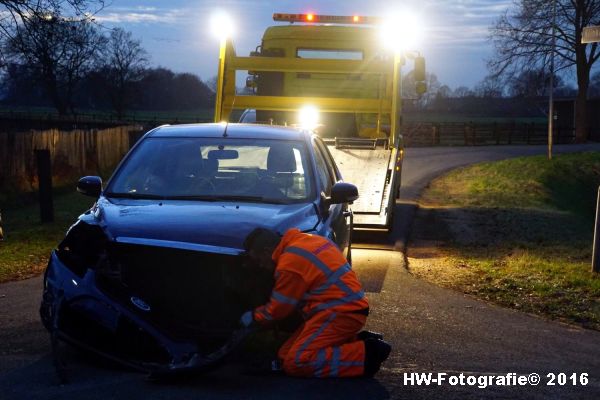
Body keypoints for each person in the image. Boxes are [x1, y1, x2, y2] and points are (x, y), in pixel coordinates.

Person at [240, 227, 391, 378]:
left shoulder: (289, 263)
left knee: (296, 362)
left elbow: (278, 310)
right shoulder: (309, 240)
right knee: (284, 355)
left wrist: (254, 316)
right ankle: (356, 341)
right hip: (343, 308)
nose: (260, 265)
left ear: (267, 251)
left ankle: (367, 355)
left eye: (258, 260)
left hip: (339, 313)